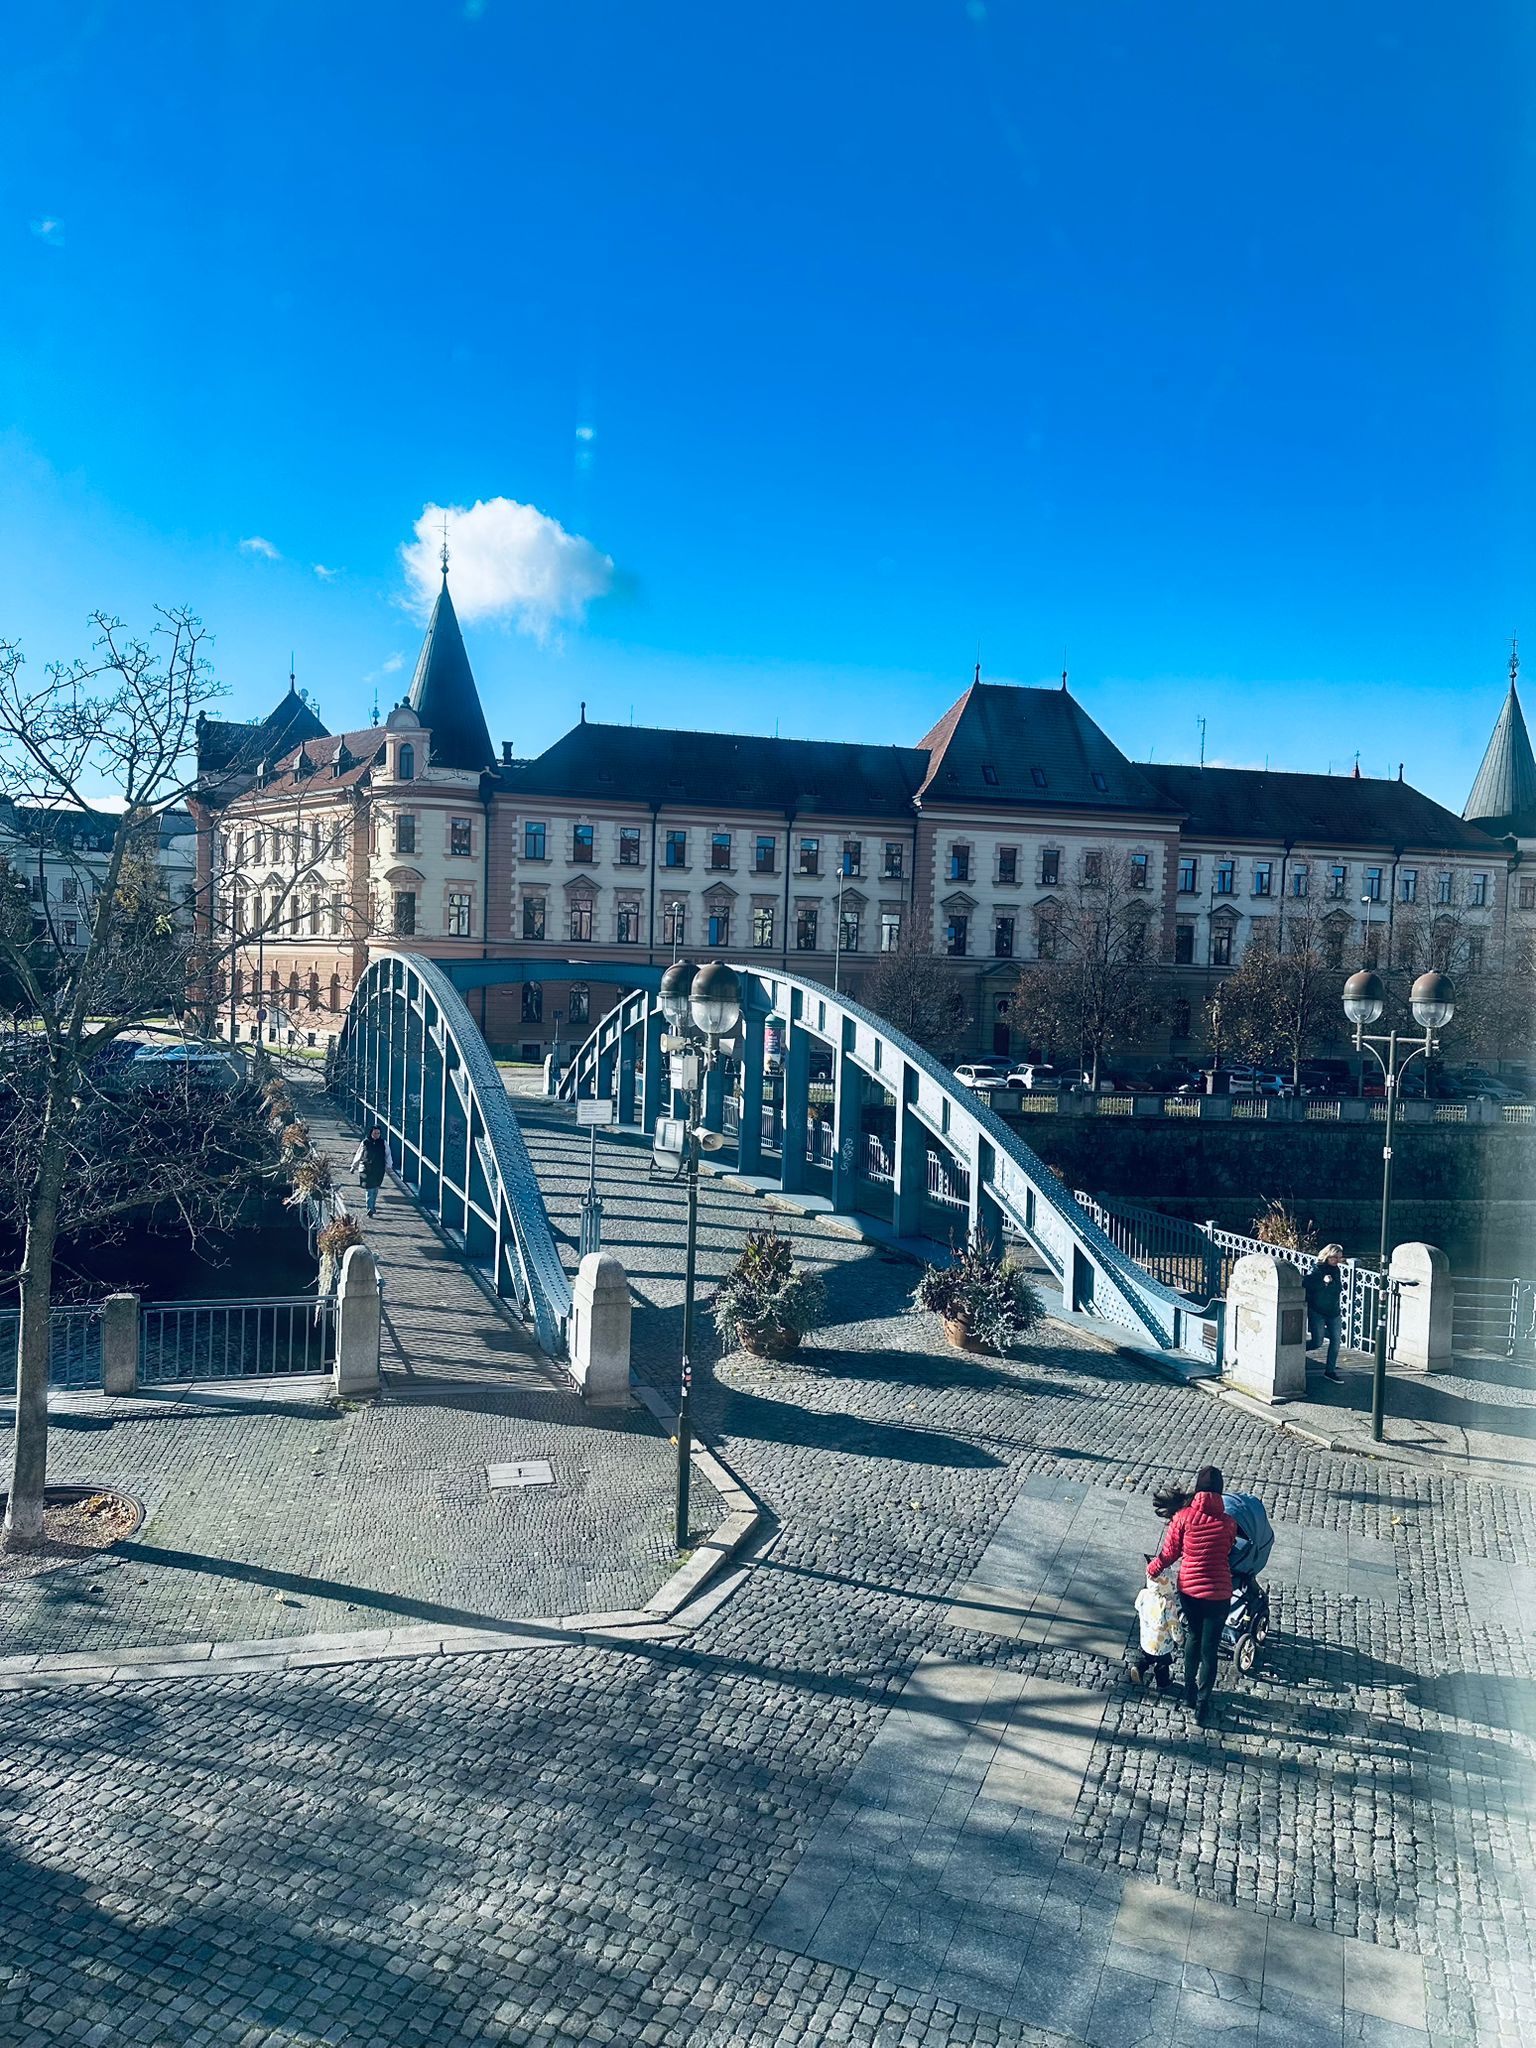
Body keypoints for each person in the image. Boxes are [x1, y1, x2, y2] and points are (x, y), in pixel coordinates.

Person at [1147, 1465, 1238, 1726]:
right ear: (1220, 1492)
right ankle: (1202, 1703)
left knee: (1193, 1638)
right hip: (1219, 1595)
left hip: (1190, 1592)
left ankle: (1188, 1691)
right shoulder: (1229, 1523)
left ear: (1197, 1490)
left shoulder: (1183, 1517)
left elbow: (1170, 1553)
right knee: (1210, 1650)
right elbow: (1228, 1550)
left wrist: (1153, 1568)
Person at [1304, 1245, 1345, 1382]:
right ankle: (1296, 1351)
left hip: (1334, 1311)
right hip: (1318, 1311)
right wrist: (1323, 1283)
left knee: (1336, 1341)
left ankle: (1330, 1371)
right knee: (1317, 1342)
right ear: (1327, 1256)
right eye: (1335, 1257)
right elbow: (1307, 1284)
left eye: (1339, 1258)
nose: (1337, 1261)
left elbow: (1338, 1288)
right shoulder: (1316, 1269)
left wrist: (1330, 1284)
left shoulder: (1336, 1270)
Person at [350, 1125, 391, 1217]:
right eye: (375, 1133)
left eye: (378, 1133)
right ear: (371, 1133)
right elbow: (359, 1154)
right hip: (366, 1169)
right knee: (369, 1189)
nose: (376, 1135)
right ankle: (369, 1208)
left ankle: (372, 1206)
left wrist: (389, 1166)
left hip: (379, 1169)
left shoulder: (383, 1143)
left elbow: (388, 1155)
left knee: (375, 1189)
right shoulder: (365, 1142)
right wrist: (354, 1166)